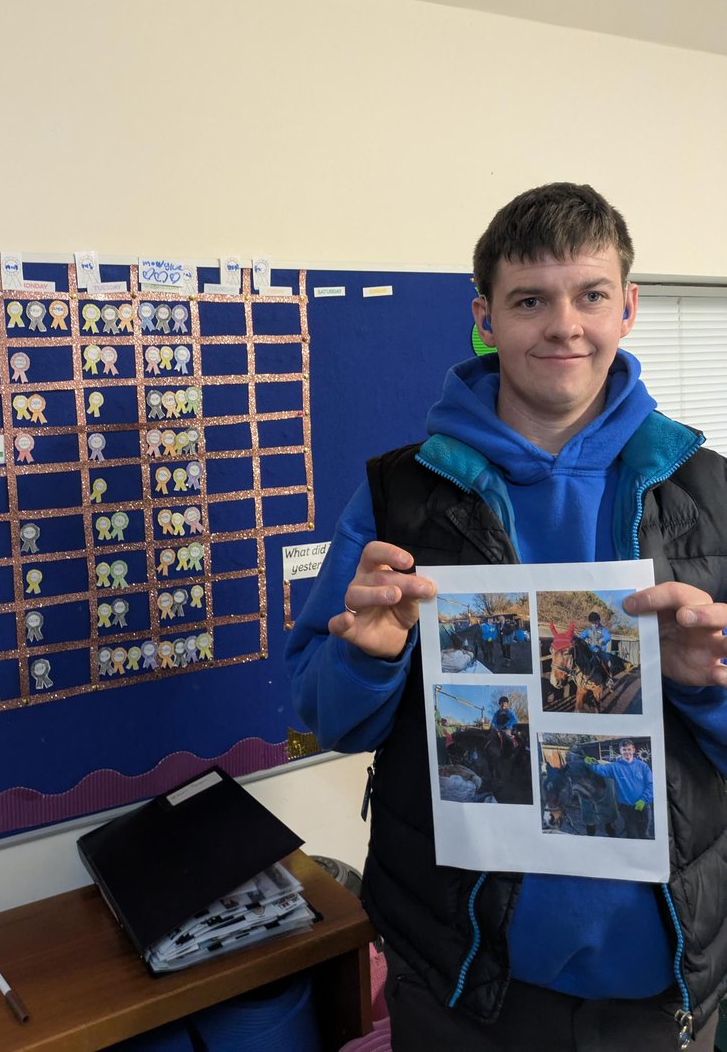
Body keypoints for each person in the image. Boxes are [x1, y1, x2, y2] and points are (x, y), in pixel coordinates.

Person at [286, 183, 727, 1050]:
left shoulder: (710, 496)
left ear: (628, 306)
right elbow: (322, 717)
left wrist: (705, 685)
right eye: (529, 300)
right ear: (484, 317)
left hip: (661, 977)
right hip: (454, 969)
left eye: (590, 295)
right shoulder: (398, 495)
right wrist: (367, 660)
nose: (563, 326)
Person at [585, 739, 653, 839]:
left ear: (633, 750)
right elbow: (600, 769)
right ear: (620, 751)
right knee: (632, 835)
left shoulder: (643, 766)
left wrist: (643, 800)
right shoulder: (614, 767)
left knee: (644, 834)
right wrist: (590, 763)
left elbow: (650, 784)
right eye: (624, 750)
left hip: (644, 807)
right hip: (626, 808)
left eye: (629, 749)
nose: (627, 752)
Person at [580, 610, 614, 682]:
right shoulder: (588, 631)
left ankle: (609, 678)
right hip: (590, 650)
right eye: (593, 623)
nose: (595, 625)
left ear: (599, 621)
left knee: (608, 662)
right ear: (590, 623)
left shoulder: (603, 630)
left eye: (596, 622)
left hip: (600, 650)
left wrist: (603, 641)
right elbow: (581, 637)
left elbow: (608, 636)